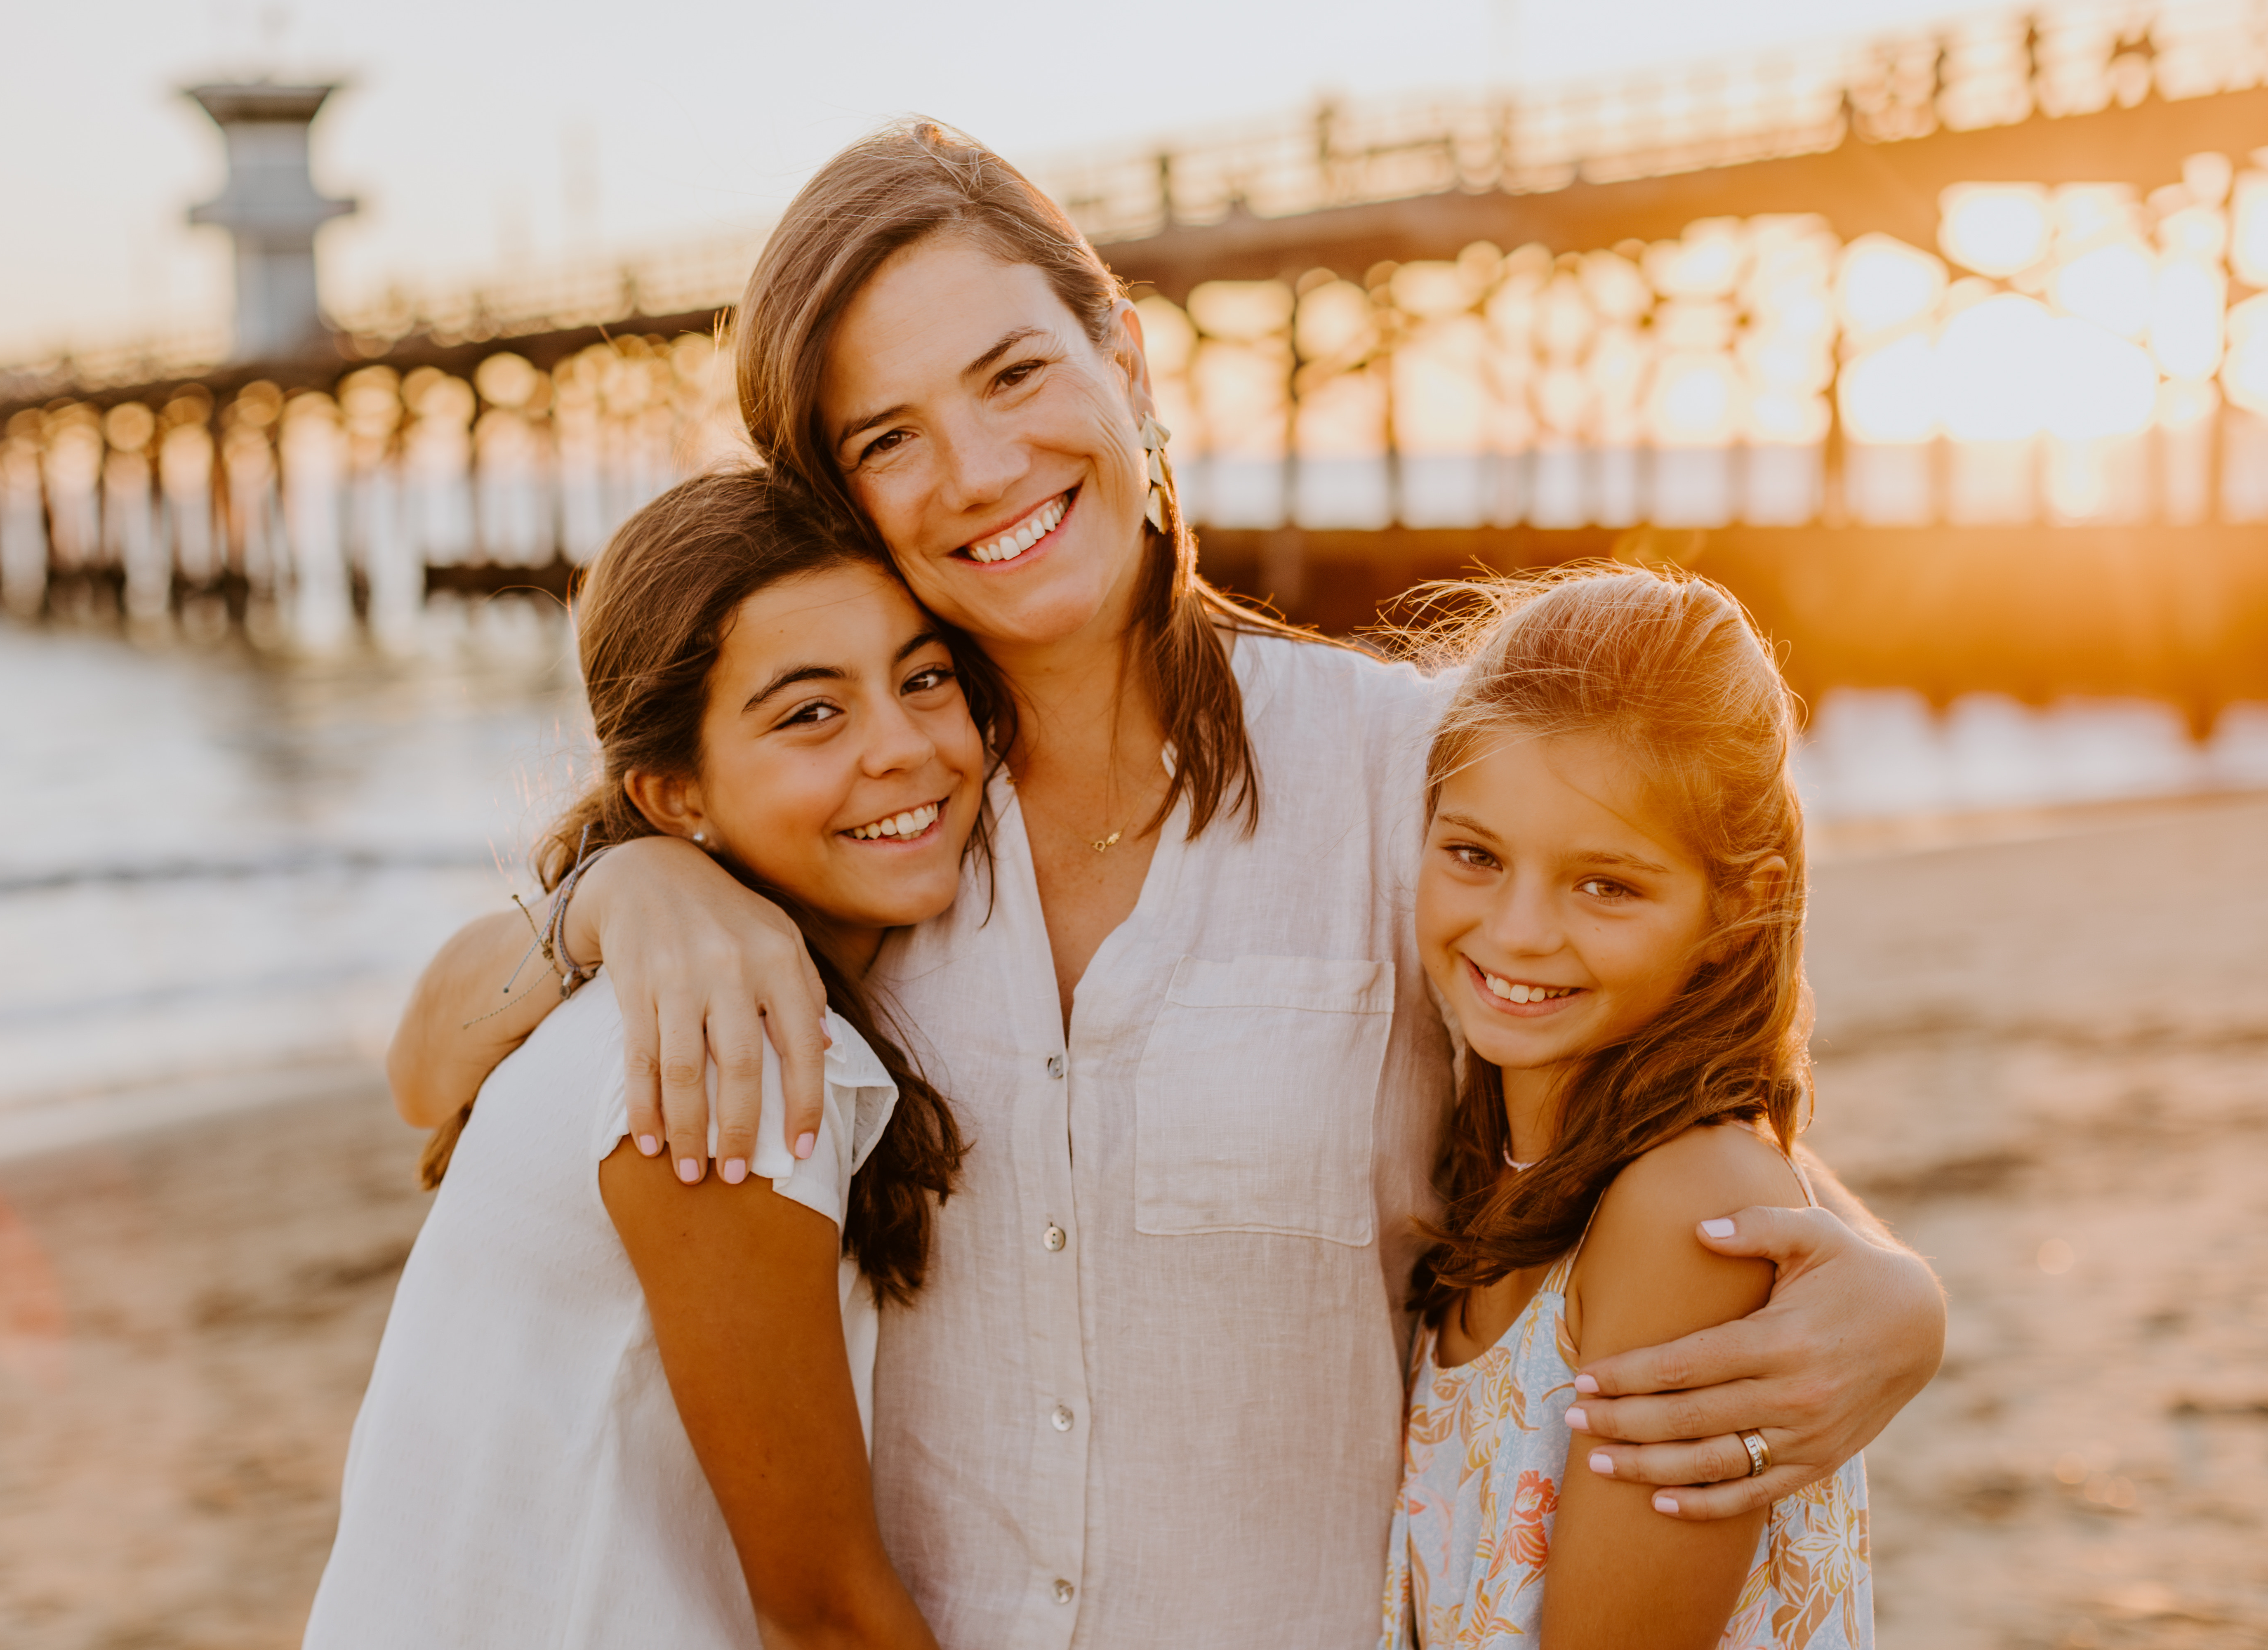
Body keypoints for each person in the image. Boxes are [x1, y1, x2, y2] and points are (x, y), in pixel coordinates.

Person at [385, 122, 1944, 1647]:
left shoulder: (1405, 780)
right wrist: (630, 891)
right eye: (890, 436)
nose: (982, 470)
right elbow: (430, 1065)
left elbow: (1646, 1095)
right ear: (839, 495)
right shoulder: (860, 834)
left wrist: (1889, 1287)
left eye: (1015, 374)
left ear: (1124, 361)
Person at [306, 469, 987, 1649]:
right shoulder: (725, 1051)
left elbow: (417, 1074)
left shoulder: (638, 980)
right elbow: (823, 1615)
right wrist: (606, 894)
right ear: (677, 797)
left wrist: (610, 886)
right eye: (810, 714)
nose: (905, 748)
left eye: (924, 678)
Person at [1385, 566, 1869, 1648]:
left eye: (1604, 884)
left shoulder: (1688, 1208)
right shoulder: (1498, 1160)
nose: (1515, 933)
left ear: (1733, 906)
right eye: (1474, 855)